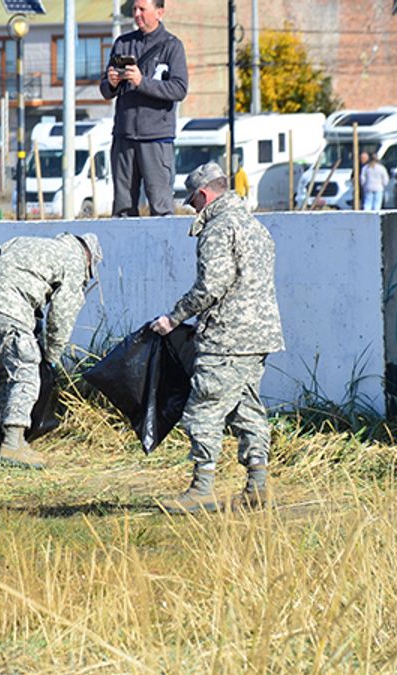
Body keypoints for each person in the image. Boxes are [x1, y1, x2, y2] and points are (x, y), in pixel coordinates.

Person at [150, 162, 284, 514]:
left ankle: (202, 488)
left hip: (226, 338)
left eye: (192, 201)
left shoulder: (219, 228)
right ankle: (257, 486)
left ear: (204, 194)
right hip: (260, 336)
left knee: (204, 409)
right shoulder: (256, 228)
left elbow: (211, 286)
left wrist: (173, 317)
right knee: (247, 409)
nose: (192, 208)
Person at [0, 232, 102, 469]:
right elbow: (61, 316)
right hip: (9, 309)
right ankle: (13, 444)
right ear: (89, 258)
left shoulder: (29, 242)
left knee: (4, 376)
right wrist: (51, 357)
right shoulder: (73, 260)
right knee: (26, 373)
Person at [99, 0, 188, 217]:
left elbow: (179, 89)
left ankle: (165, 251)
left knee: (161, 206)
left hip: (156, 139)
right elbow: (105, 90)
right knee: (122, 208)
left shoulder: (172, 46)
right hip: (124, 137)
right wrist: (111, 83)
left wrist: (142, 82)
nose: (137, 14)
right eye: (134, 10)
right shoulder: (122, 43)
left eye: (142, 9)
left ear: (160, 12)